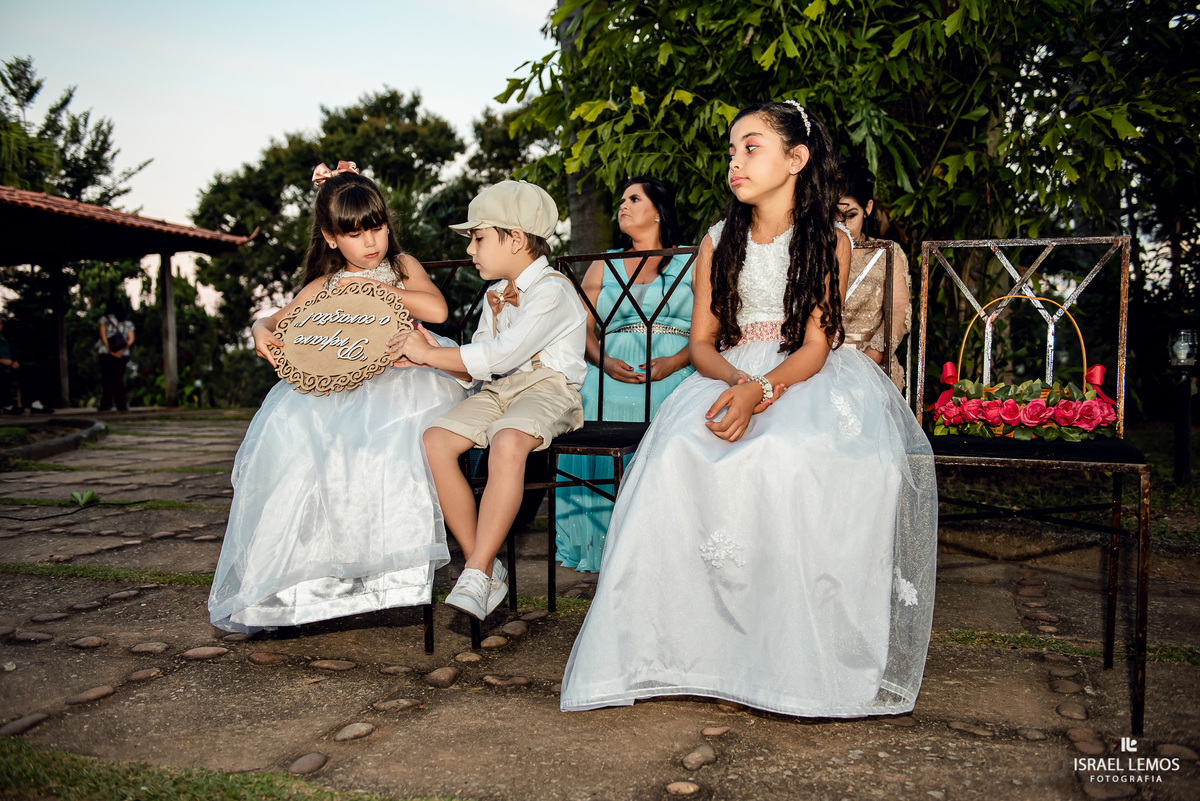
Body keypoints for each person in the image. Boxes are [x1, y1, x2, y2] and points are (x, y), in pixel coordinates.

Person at [560, 102, 938, 717]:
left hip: (803, 374)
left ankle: (787, 657)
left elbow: (818, 343)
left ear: (796, 159)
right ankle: (681, 651)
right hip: (730, 370)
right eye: (731, 150)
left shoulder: (830, 239)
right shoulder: (716, 238)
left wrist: (762, 392)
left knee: (787, 456)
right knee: (679, 453)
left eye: (751, 148)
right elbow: (703, 344)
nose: (735, 161)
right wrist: (738, 381)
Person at [208, 162, 468, 633]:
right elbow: (277, 321)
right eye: (353, 234)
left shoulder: (401, 267)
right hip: (340, 386)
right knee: (297, 444)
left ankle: (394, 575)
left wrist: (372, 286)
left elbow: (436, 308)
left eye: (377, 227)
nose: (370, 242)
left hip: (408, 379)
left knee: (392, 447)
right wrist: (258, 328)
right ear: (330, 238)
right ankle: (302, 586)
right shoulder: (324, 287)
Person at [390, 180, 587, 621]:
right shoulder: (494, 293)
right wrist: (429, 361)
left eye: (479, 238)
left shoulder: (552, 290)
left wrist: (430, 352)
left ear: (516, 239)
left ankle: (476, 569)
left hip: (548, 388)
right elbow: (481, 366)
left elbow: (503, 354)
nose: (472, 251)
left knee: (508, 440)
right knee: (436, 438)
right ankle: (484, 563)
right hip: (499, 389)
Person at [554, 176, 695, 573]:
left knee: (675, 407)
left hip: (675, 365)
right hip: (612, 368)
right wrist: (604, 361)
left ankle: (660, 540)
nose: (624, 205)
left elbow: (711, 328)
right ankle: (598, 539)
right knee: (592, 400)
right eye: (622, 199)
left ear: (659, 210)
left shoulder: (693, 260)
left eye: (635, 198)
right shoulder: (605, 263)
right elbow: (580, 328)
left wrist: (677, 361)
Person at [838, 156, 912, 391]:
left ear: (868, 208)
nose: (842, 226)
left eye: (851, 216)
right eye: (834, 217)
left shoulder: (887, 253)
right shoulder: (811, 254)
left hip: (874, 367)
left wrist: (870, 358)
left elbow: (899, 314)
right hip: (818, 365)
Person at [97, 301, 135, 412]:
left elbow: (103, 336)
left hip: (106, 353)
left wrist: (111, 350)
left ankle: (106, 405)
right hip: (123, 354)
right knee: (119, 379)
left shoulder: (104, 319)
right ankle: (122, 405)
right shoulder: (128, 321)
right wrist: (122, 350)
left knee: (107, 379)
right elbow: (131, 339)